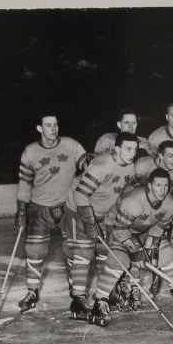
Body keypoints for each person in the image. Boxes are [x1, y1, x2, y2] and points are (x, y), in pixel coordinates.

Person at [90, 168, 173, 326]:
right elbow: (120, 229)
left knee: (167, 253)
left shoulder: (169, 204)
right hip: (117, 228)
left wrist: (151, 250)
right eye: (158, 185)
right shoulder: (133, 202)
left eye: (165, 186)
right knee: (120, 259)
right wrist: (137, 251)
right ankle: (100, 301)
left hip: (142, 230)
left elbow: (157, 230)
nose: (162, 190)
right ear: (150, 186)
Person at [16, 113, 90, 312]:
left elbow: (88, 165)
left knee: (75, 248)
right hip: (40, 207)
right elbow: (24, 181)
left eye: (56, 125)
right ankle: (32, 291)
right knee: (34, 250)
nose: (53, 129)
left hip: (68, 205)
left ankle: (78, 294)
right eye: (48, 125)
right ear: (40, 128)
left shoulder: (71, 145)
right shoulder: (30, 151)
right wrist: (21, 208)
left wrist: (85, 171)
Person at [61, 132, 138, 317]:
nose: (132, 153)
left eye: (135, 150)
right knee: (84, 251)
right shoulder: (101, 166)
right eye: (128, 149)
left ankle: (105, 293)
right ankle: (78, 298)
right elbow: (81, 195)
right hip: (79, 210)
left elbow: (123, 192)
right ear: (117, 149)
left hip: (104, 214)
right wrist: (89, 222)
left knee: (105, 251)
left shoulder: (130, 166)